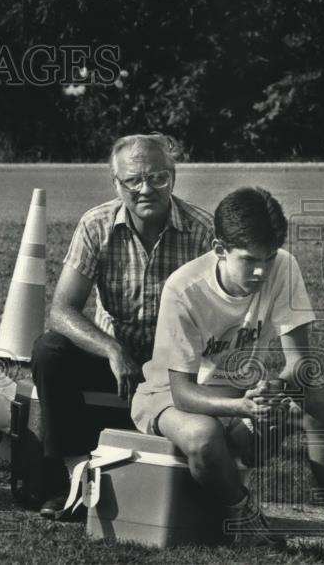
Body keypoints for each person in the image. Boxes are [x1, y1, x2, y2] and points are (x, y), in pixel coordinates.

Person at [131, 188, 324, 559]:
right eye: (250, 260)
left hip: (242, 399)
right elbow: (181, 392)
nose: (262, 271)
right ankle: (248, 521)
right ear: (219, 249)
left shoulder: (283, 266)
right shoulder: (183, 289)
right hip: (170, 399)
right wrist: (243, 407)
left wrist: (276, 386)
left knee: (316, 398)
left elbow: (299, 365)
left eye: (269, 258)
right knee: (204, 435)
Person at [30, 133, 214, 518]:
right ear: (116, 183)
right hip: (114, 360)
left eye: (157, 178)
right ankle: (72, 477)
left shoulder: (201, 231)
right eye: (132, 180)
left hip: (174, 365)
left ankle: (206, 479)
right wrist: (112, 349)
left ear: (173, 177)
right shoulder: (96, 224)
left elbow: (216, 317)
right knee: (49, 350)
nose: (145, 189)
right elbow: (62, 310)